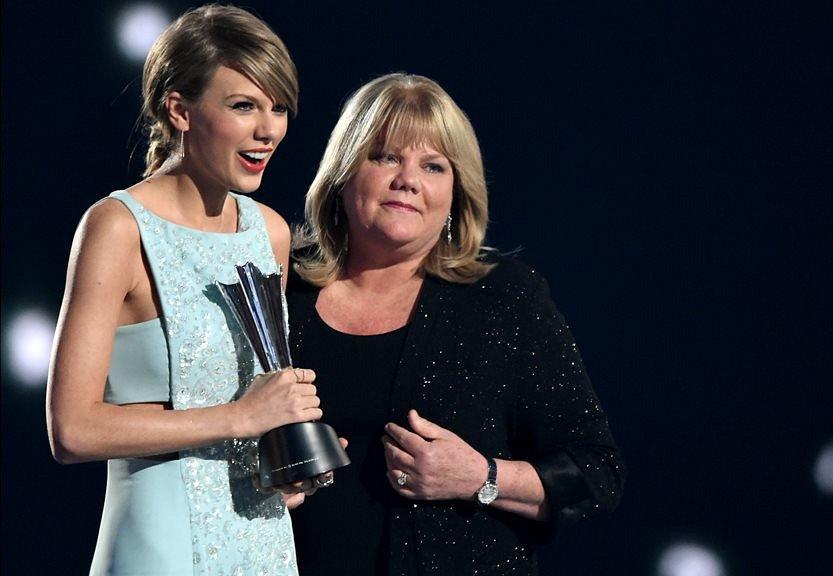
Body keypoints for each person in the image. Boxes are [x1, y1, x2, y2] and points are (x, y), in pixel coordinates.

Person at [287, 73, 625, 575]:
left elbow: (597, 473)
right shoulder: (279, 291)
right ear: (342, 172)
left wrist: (479, 476)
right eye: (385, 157)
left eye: (433, 165)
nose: (408, 179)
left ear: (454, 193)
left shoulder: (505, 298)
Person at [45, 5, 325, 575]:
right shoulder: (118, 226)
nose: (268, 129)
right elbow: (71, 429)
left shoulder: (267, 232)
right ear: (180, 109)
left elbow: (260, 403)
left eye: (278, 107)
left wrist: (285, 458)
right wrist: (240, 418)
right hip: (160, 543)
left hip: (263, 541)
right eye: (243, 105)